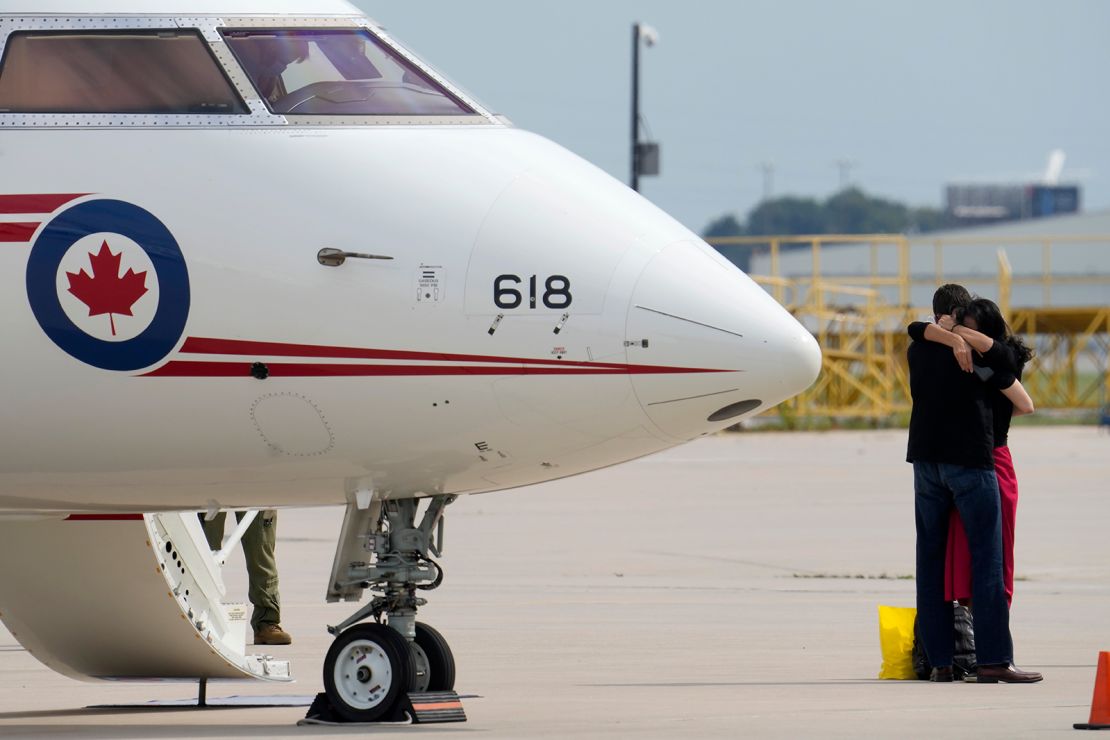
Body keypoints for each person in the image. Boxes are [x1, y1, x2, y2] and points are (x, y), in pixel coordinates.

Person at [906, 284, 1040, 683]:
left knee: (929, 564)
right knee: (988, 562)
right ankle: (994, 659)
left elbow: (914, 330)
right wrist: (960, 336)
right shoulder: (982, 354)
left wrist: (943, 332)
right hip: (969, 462)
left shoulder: (919, 348)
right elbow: (1008, 359)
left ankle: (941, 663)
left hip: (925, 462)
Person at [201, 510, 292, 645]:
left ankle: (266, 622)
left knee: (262, 547)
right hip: (212, 489)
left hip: (254, 490)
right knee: (203, 547)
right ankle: (198, 614)